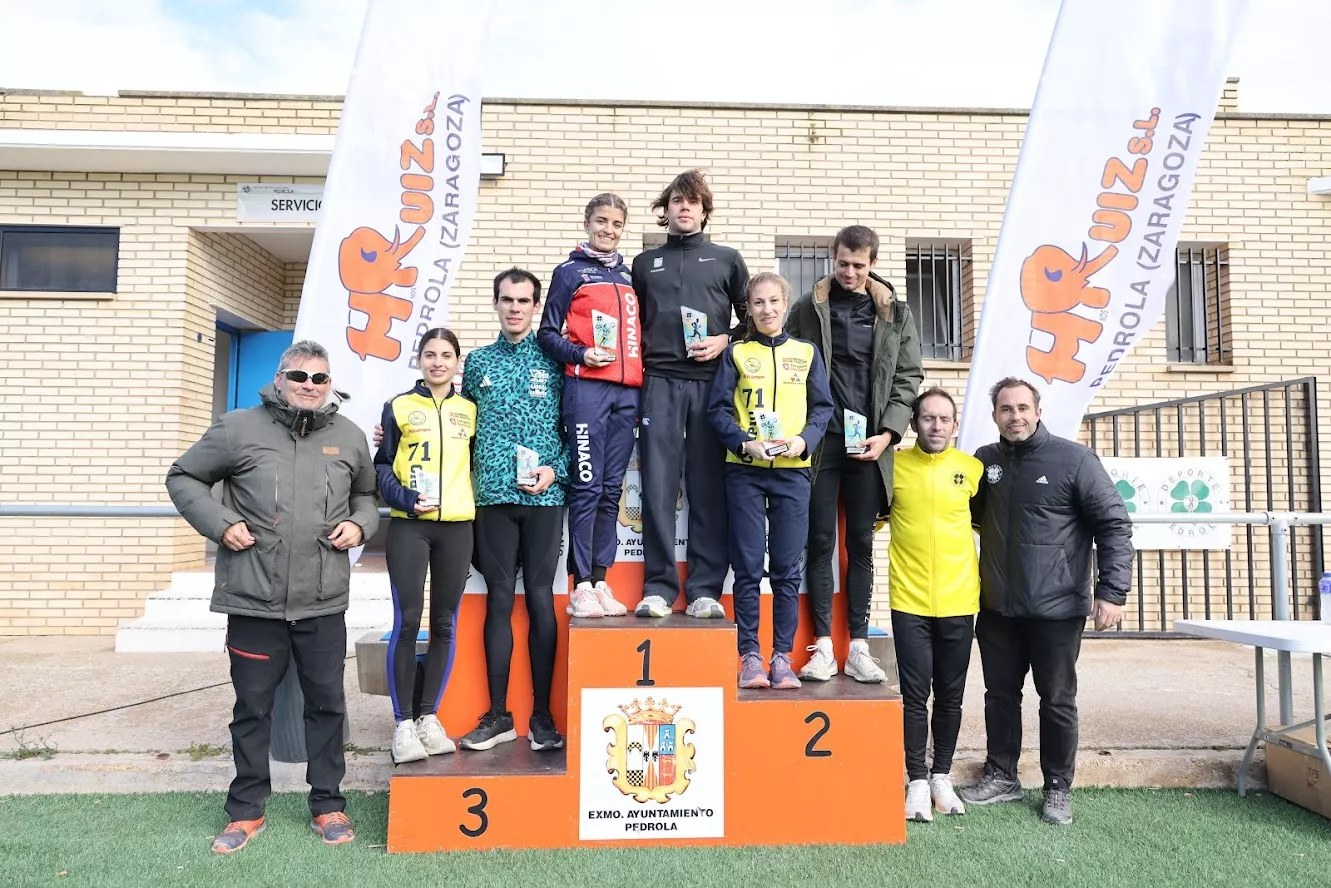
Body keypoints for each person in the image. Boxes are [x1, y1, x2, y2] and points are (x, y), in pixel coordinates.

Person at [166, 340, 378, 854]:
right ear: (279, 379)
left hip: (323, 600)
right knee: (252, 708)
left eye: (320, 379)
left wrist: (359, 525)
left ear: (330, 386)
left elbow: (367, 497)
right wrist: (221, 524)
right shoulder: (237, 428)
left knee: (327, 706)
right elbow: (184, 477)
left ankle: (328, 804)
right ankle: (245, 810)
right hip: (253, 599)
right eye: (299, 376)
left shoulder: (349, 436)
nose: (309, 386)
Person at [959, 377, 1133, 825]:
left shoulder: (1074, 460)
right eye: (1005, 409)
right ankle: (1001, 776)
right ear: (994, 415)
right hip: (997, 607)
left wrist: (1111, 592)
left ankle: (1058, 787)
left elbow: (1113, 525)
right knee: (999, 695)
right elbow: (965, 515)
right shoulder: (985, 462)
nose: (1014, 416)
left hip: (1057, 610)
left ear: (1037, 411)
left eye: (1022, 408)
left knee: (1056, 700)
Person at [786, 225, 923, 683]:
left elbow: (908, 378)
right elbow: (784, 358)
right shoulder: (808, 308)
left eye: (859, 266)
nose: (849, 272)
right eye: (842, 263)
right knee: (820, 542)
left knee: (860, 546)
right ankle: (823, 647)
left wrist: (888, 434)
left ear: (873, 265)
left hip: (869, 445)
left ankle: (859, 647)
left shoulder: (896, 313)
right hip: (821, 440)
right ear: (833, 257)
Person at [631, 168, 749, 619]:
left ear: (704, 210)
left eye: (692, 201)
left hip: (711, 384)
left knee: (707, 488)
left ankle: (704, 590)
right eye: (676, 201)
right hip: (658, 382)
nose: (684, 207)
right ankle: (659, 588)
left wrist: (726, 341)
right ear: (667, 210)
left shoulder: (726, 259)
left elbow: (752, 319)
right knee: (657, 489)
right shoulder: (644, 264)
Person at [459, 268, 569, 753]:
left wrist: (557, 469)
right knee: (499, 601)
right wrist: (395, 433)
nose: (515, 308)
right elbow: (455, 422)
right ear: (496, 302)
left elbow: (578, 428)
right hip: (493, 499)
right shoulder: (477, 362)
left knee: (541, 600)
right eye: (506, 299)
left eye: (524, 300)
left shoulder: (557, 361)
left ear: (536, 305)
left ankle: (543, 716)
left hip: (544, 498)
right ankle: (499, 713)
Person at [707, 272, 832, 688]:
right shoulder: (737, 353)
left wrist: (803, 440)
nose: (767, 310)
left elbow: (822, 409)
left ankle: (781, 656)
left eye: (774, 301)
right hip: (744, 471)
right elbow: (718, 412)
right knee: (746, 568)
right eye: (758, 303)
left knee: (785, 569)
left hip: (793, 474)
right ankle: (750, 657)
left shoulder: (806, 352)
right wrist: (746, 444)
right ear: (749, 307)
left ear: (786, 303)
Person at [374, 328, 476, 765]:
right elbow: (381, 468)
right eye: (430, 354)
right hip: (409, 527)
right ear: (419, 360)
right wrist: (406, 500)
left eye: (446, 355)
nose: (438, 362)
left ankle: (428, 717)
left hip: (457, 527)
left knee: (445, 624)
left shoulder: (470, 410)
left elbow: (476, 462)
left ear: (457, 362)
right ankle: (401, 724)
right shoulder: (398, 407)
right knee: (407, 620)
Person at [537, 194, 641, 619]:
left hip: (626, 393)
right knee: (587, 487)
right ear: (586, 222)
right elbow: (547, 334)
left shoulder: (632, 276)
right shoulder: (569, 272)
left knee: (612, 491)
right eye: (601, 221)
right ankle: (580, 585)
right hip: (587, 391)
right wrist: (580, 356)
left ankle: (600, 581)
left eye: (616, 224)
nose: (609, 230)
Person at [889, 387, 982, 822]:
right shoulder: (894, 465)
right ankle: (917, 782)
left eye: (944, 419)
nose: (937, 426)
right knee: (913, 695)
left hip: (961, 600)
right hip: (909, 599)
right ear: (914, 423)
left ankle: (942, 775)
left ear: (955, 424)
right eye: (928, 418)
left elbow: (985, 523)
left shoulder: (972, 469)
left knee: (950, 694)